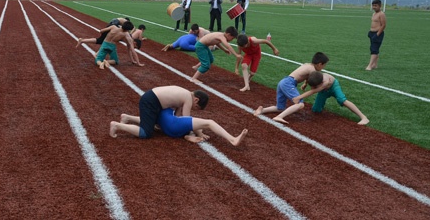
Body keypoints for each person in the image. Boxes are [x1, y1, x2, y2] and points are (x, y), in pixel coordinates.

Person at [254, 52, 329, 124]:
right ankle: (279, 117)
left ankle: (262, 110)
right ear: (320, 64)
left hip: (283, 82)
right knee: (300, 104)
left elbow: (306, 76)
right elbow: (313, 80)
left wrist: (305, 83)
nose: (323, 68)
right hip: (288, 83)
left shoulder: (308, 65)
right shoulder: (312, 70)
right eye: (324, 65)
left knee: (280, 108)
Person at [113, 108, 248, 146]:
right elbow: (185, 118)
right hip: (173, 127)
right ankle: (232, 139)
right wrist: (198, 133)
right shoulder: (180, 100)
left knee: (154, 123)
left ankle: (127, 118)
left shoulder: (159, 108)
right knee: (209, 122)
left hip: (166, 128)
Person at [109, 85, 205, 138]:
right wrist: (193, 133)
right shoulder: (188, 98)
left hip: (152, 98)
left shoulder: (184, 93)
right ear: (196, 100)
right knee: (145, 133)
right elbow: (186, 120)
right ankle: (117, 125)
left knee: (156, 123)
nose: (192, 108)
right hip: (151, 101)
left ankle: (127, 117)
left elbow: (177, 116)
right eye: (195, 107)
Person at [304, 71, 370, 125]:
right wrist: (305, 84)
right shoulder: (315, 77)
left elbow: (312, 92)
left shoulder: (326, 81)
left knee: (342, 100)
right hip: (323, 91)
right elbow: (308, 79)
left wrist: (298, 98)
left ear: (321, 83)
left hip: (333, 87)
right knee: (316, 109)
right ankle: (319, 106)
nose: (313, 88)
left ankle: (363, 117)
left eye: (315, 87)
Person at [366, 0, 386, 71]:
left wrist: (377, 34)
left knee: (374, 49)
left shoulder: (381, 14)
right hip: (372, 33)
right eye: (373, 5)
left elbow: (383, 25)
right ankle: (375, 64)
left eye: (376, 6)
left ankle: (370, 65)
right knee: (373, 48)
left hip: (378, 33)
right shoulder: (374, 14)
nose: (374, 7)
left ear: (380, 6)